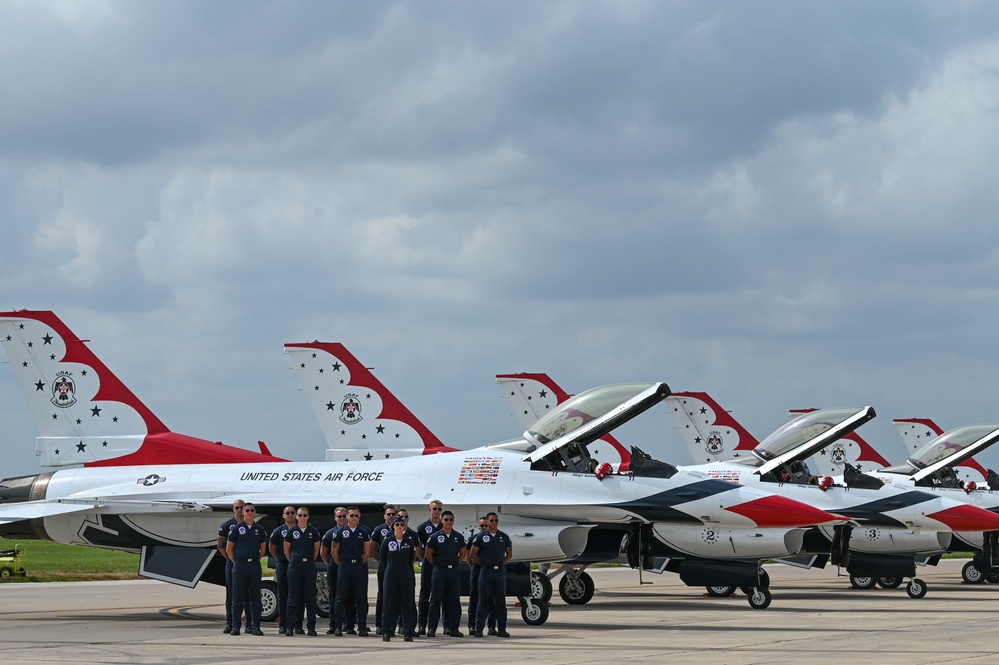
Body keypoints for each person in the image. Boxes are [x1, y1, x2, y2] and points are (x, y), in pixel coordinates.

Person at [226, 502, 268, 636]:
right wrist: (237, 561)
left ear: (255, 512)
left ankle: (255, 626)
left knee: (255, 597)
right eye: (247, 510)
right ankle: (236, 626)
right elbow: (229, 548)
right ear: (243, 513)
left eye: (252, 510)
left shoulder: (260, 529)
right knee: (237, 597)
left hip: (254, 564)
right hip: (240, 564)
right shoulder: (237, 529)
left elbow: (263, 548)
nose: (250, 512)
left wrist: (255, 559)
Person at [425, 509, 467, 637]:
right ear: (442, 521)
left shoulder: (458, 537)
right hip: (439, 570)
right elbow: (428, 554)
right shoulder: (435, 536)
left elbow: (463, 553)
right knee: (435, 600)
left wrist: (456, 562)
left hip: (453, 571)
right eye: (446, 520)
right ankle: (432, 628)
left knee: (454, 600)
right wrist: (438, 564)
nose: (449, 522)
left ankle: (454, 628)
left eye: (451, 520)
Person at [470, 512, 512, 638]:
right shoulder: (481, 537)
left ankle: (502, 629)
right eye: (491, 520)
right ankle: (479, 629)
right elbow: (473, 554)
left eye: (496, 520)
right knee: (483, 601)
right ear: (487, 522)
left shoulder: (504, 537)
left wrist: (501, 563)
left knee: (500, 601)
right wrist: (483, 564)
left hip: (498, 572)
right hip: (486, 571)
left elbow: (509, 554)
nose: (494, 522)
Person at [331, 506, 371, 636]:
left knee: (361, 598)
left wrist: (359, 562)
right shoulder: (340, 532)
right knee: (340, 597)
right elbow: (334, 552)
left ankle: (362, 627)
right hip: (344, 566)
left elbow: (367, 551)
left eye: (356, 516)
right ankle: (338, 627)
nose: (354, 518)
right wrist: (342, 563)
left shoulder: (363, 532)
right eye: (352, 515)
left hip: (358, 567)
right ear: (347, 517)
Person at [379, 517, 419, 642]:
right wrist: (390, 571)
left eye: (402, 524)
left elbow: (410, 559)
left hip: (405, 574)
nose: (400, 526)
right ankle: (386, 631)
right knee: (388, 604)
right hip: (390, 574)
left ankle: (408, 632)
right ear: (393, 526)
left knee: (406, 604)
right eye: (397, 524)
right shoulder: (387, 541)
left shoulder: (409, 541)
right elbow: (383, 558)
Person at [283, 507, 321, 636]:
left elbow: (316, 549)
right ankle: (291, 626)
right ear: (297, 517)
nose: (302, 517)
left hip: (309, 566)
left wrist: (308, 560)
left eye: (305, 515)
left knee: (309, 598)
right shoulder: (291, 532)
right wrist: (295, 560)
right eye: (300, 515)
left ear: (308, 516)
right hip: (295, 566)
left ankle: (311, 627)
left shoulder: (313, 531)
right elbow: (286, 549)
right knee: (293, 598)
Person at [320, 508, 356, 634]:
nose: (342, 519)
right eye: (339, 516)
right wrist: (333, 563)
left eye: (344, 516)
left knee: (350, 596)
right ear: (335, 518)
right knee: (334, 596)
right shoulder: (330, 533)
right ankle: (334, 624)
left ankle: (349, 624)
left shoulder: (352, 532)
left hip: (348, 568)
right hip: (335, 568)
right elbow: (323, 552)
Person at [415, 499, 444, 634]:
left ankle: (435, 626)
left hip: (441, 566)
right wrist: (425, 560)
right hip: (428, 566)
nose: (436, 511)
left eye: (439, 509)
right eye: (434, 509)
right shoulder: (422, 528)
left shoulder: (444, 527)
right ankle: (422, 624)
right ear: (429, 510)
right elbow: (418, 547)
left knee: (439, 596)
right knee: (424, 595)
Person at [217, 499, 245, 634]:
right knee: (231, 595)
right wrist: (231, 559)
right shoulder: (227, 525)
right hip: (232, 563)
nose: (240, 510)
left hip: (246, 564)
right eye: (237, 507)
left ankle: (250, 625)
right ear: (233, 509)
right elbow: (221, 545)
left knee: (248, 594)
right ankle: (230, 623)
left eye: (242, 507)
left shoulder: (250, 525)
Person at [369, 505, 397, 635]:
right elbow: (372, 548)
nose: (391, 516)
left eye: (393, 514)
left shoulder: (399, 529)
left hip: (397, 567)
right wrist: (381, 560)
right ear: (384, 516)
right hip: (384, 567)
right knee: (382, 595)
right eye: (389, 514)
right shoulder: (379, 530)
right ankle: (379, 624)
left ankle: (396, 624)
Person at [269, 506, 297, 635]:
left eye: (292, 513)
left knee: (297, 595)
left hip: (298, 567)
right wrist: (282, 559)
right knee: (283, 595)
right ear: (283, 515)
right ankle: (283, 624)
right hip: (284, 565)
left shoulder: (302, 530)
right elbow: (272, 548)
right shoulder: (278, 531)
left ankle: (297, 623)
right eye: (288, 513)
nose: (290, 515)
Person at [466, 517, 494, 635]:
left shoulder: (494, 538)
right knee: (474, 598)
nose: (483, 528)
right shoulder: (474, 538)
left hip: (490, 571)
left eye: (485, 526)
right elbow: (468, 556)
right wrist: (475, 566)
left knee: (491, 599)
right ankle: (472, 625)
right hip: (477, 570)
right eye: (481, 526)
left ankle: (492, 627)